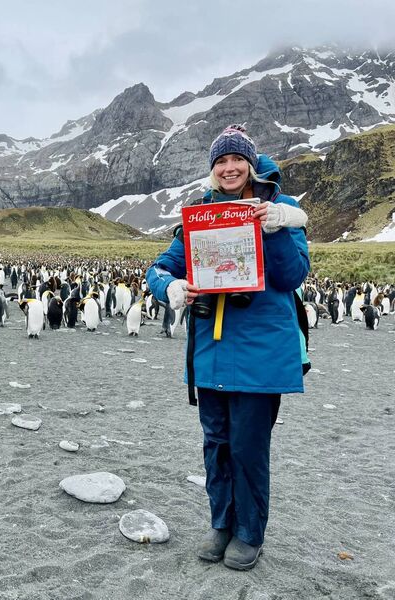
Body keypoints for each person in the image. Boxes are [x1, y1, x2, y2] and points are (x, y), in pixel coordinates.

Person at [146, 124, 310, 571]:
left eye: (237, 159)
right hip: (211, 348)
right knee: (216, 443)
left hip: (261, 350)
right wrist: (172, 288)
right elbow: (159, 269)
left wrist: (274, 225)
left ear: (251, 164)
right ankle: (221, 523)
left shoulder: (283, 209)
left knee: (248, 446)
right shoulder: (200, 214)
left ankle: (249, 532)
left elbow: (292, 276)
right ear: (213, 169)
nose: (229, 167)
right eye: (221, 161)